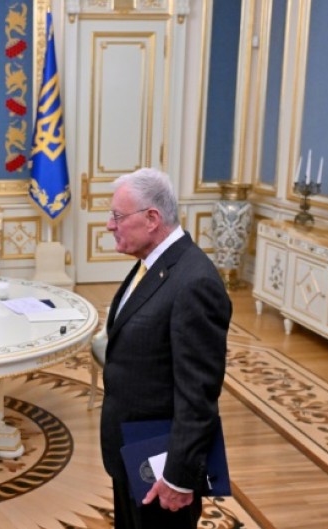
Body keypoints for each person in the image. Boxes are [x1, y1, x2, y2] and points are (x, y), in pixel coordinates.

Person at [100, 167, 232, 528]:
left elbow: (198, 394)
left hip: (161, 466)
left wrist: (179, 476)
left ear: (152, 218)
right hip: (132, 450)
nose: (110, 225)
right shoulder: (152, 264)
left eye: (117, 216)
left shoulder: (195, 282)